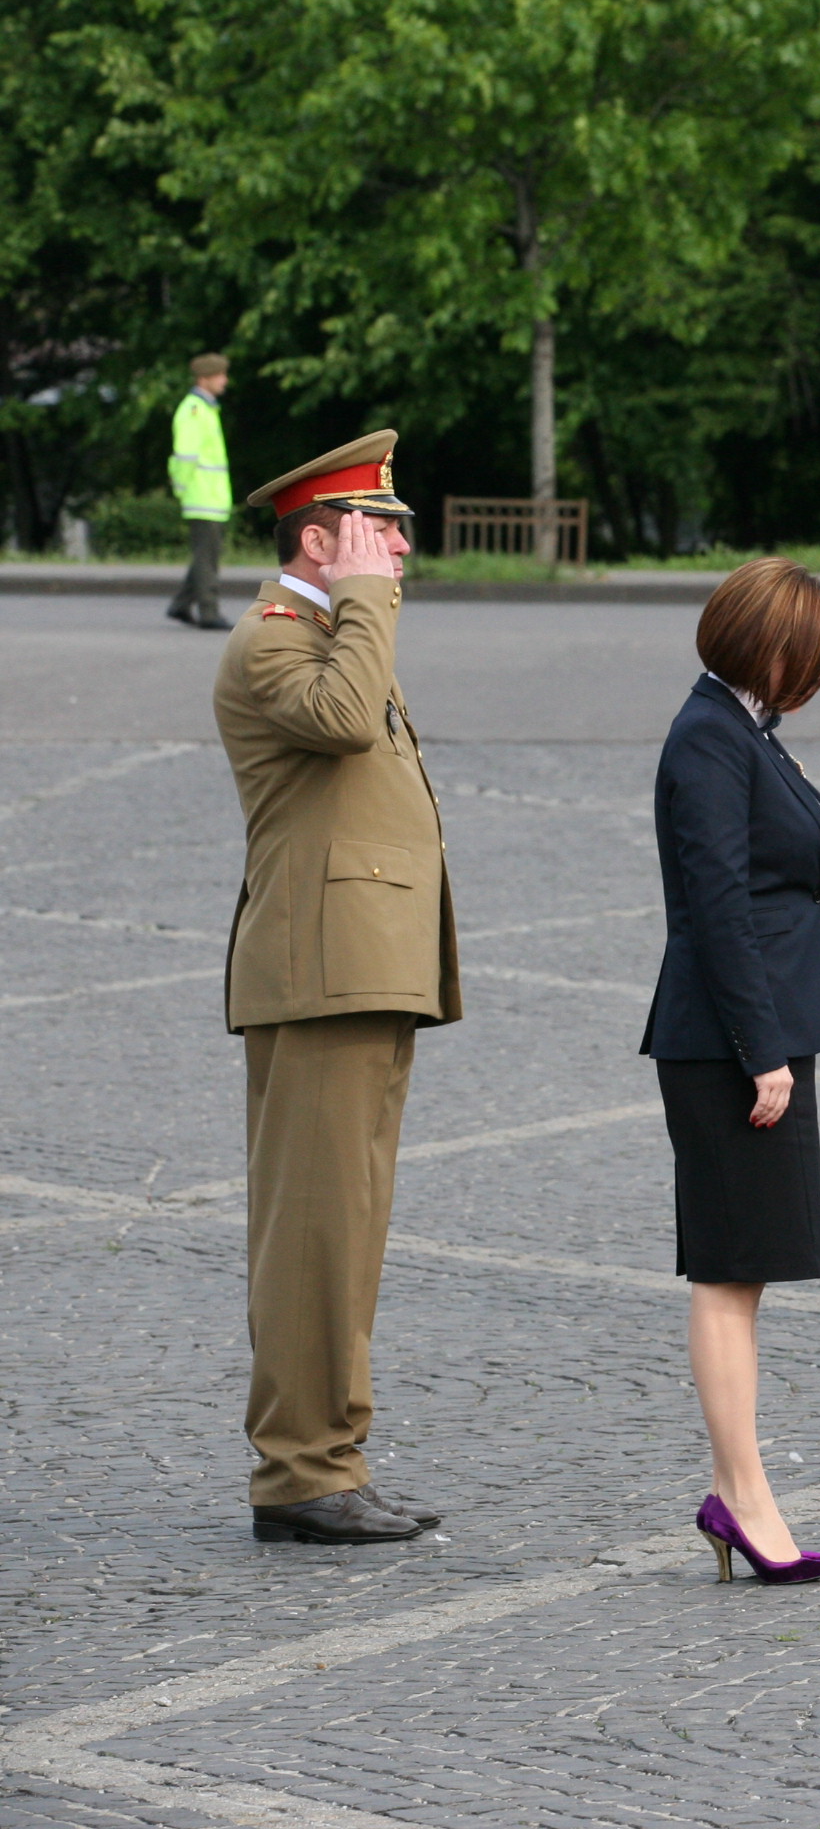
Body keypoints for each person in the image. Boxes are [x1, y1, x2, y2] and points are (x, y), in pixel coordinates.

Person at [212, 431, 460, 1545]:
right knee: (312, 1235)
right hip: (318, 977)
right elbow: (349, 720)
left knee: (346, 1233)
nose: (400, 551)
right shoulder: (274, 645)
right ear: (319, 537)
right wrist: (361, 597)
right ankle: (300, 1472)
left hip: (359, 975)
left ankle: (331, 1458)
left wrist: (357, 603)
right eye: (379, 530)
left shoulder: (332, 634)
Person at [643, 559, 820, 1586]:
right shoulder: (710, 739)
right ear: (769, 650)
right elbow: (717, 907)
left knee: (744, 1274)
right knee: (727, 1274)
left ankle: (745, 1491)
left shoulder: (738, 729)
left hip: (754, 1034)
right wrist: (760, 1051)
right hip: (732, 1045)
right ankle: (742, 1494)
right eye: (813, 662)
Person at [166, 352, 232, 630]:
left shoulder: (205, 408)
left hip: (209, 497)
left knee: (205, 556)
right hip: (202, 496)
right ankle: (209, 612)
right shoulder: (194, 410)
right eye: (220, 376)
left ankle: (181, 605)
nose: (225, 381)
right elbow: (185, 456)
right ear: (204, 379)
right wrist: (182, 489)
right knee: (207, 559)